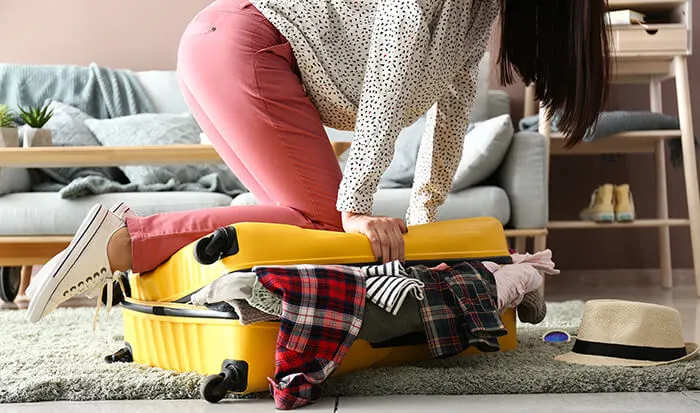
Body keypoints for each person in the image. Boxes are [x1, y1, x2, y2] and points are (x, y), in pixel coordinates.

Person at [26, 0, 611, 323]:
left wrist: (425, 221)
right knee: (327, 227)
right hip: (246, 44)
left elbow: (451, 110)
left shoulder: (476, 13)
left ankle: (189, 293)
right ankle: (121, 240)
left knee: (292, 225)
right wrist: (354, 207)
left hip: (227, 45)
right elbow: (390, 69)